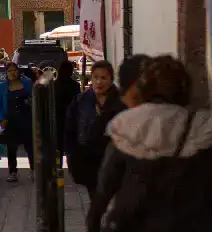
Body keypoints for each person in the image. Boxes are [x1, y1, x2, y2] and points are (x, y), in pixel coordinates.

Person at [86, 55, 212, 232]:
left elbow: (105, 186)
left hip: (134, 222)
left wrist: (94, 221)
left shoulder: (127, 124)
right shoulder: (202, 125)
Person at [64, 60, 123, 197]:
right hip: (89, 161)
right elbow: (70, 132)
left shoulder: (121, 101)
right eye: (96, 77)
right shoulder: (81, 101)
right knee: (96, 200)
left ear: (111, 79)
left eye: (103, 78)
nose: (99, 82)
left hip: (114, 160)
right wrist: (73, 159)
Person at [0, 60, 34, 182]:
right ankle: (13, 172)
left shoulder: (27, 83)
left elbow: (35, 98)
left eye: (14, 70)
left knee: (30, 147)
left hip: (26, 119)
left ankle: (34, 171)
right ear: (6, 73)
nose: (12, 73)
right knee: (11, 148)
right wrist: (1, 119)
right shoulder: (2, 87)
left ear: (18, 71)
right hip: (10, 121)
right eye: (9, 71)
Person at [54, 59, 82, 157]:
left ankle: (58, 167)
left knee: (58, 147)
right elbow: (78, 102)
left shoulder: (53, 85)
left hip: (57, 118)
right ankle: (71, 167)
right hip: (71, 117)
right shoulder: (75, 85)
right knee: (71, 146)